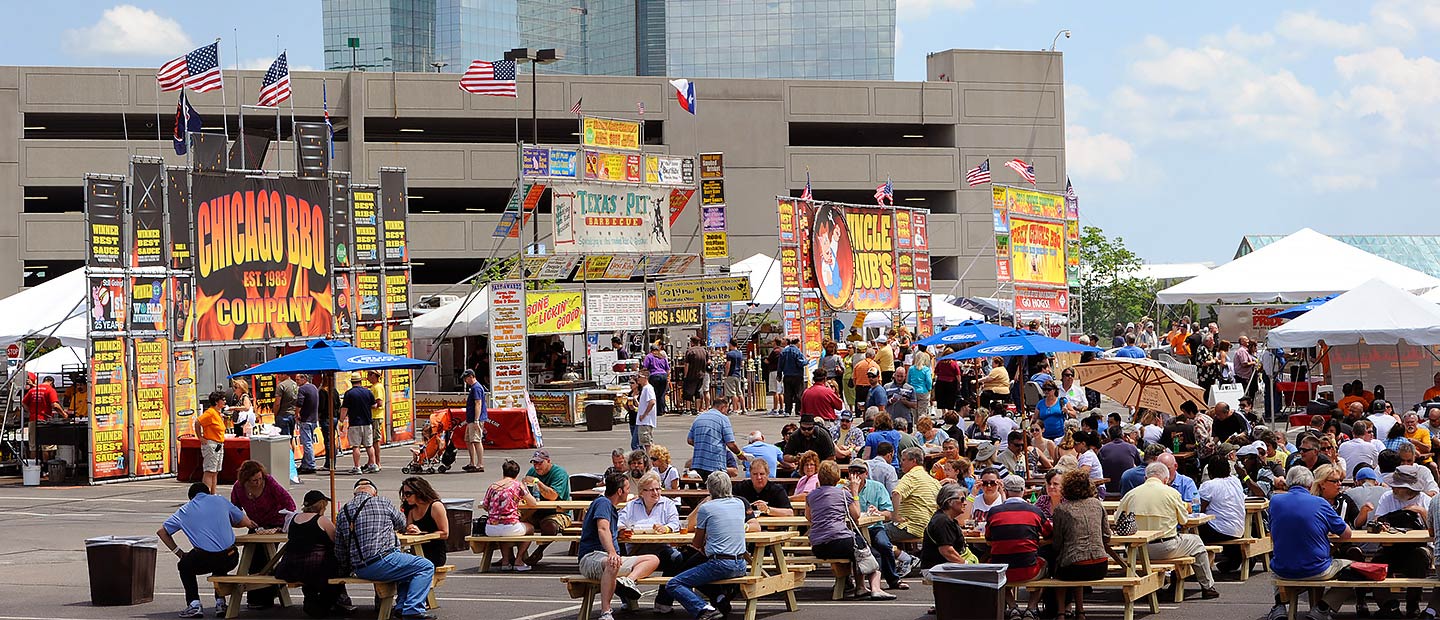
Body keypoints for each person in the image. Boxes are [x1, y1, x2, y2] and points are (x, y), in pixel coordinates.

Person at [334, 478, 436, 619]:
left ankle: (401, 608)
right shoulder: (382, 502)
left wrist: (345, 570)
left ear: (355, 494)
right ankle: (413, 609)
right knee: (425, 566)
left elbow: (340, 549)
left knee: (407, 568)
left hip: (359, 568)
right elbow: (401, 523)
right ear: (374, 493)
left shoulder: (343, 511)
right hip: (381, 560)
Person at [1263, 467, 1354, 620]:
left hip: (1282, 568)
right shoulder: (1320, 503)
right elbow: (1347, 534)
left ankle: (1279, 606)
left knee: (1281, 558)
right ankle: (1322, 608)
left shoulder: (1275, 501)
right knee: (1354, 570)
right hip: (1316, 568)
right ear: (1311, 483)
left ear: (1288, 482)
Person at [1117, 462, 1218, 599]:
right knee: (1197, 542)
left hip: (1137, 550)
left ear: (1145, 478)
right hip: (1166, 547)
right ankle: (1207, 586)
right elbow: (1183, 521)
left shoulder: (1131, 494)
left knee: (1192, 542)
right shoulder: (1171, 493)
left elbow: (1118, 519)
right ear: (1165, 479)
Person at [158, 482, 259, 618]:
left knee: (184, 565)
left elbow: (162, 532)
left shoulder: (185, 510)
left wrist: (180, 553)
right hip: (230, 556)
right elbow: (245, 521)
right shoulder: (220, 500)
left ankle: (194, 604)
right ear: (208, 493)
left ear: (191, 498)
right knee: (220, 562)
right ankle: (220, 602)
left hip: (204, 558)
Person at [665, 471, 749, 620]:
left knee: (674, 583)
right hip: (741, 563)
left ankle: (703, 608)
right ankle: (719, 598)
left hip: (720, 563)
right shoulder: (739, 504)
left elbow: (696, 543)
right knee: (695, 568)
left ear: (709, 489)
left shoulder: (707, 508)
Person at [809, 460, 896, 600]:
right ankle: (876, 588)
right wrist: (854, 492)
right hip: (838, 541)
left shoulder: (811, 495)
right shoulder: (843, 493)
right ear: (837, 477)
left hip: (818, 545)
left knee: (858, 550)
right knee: (872, 552)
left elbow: (809, 517)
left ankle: (860, 587)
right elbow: (855, 515)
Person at [1050, 468, 1124, 619]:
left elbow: (1057, 543)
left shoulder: (1061, 509)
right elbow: (1106, 535)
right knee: (1074, 563)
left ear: (1066, 487)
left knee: (1057, 566)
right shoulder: (1097, 505)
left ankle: (1061, 612)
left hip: (1073, 567)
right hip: (1100, 566)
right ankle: (1080, 610)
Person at [274, 490, 354, 618]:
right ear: (322, 505)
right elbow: (338, 541)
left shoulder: (293, 519)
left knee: (317, 576)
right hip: (314, 567)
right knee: (338, 571)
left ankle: (312, 600)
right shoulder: (322, 521)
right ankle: (325, 605)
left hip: (290, 566)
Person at [230, 460, 295, 609]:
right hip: (255, 525)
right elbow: (234, 509)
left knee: (265, 558)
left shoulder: (270, 482)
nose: (258, 482)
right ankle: (256, 598)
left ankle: (266, 597)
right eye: (254, 480)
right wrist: (243, 520)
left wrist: (285, 522)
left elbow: (289, 502)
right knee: (252, 560)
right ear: (245, 480)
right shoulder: (238, 488)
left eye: (260, 479)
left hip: (274, 524)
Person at [619, 471, 684, 613]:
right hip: (636, 550)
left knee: (676, 558)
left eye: (658, 489)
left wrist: (665, 528)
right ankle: (628, 598)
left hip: (660, 549)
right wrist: (625, 529)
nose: (656, 492)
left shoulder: (668, 504)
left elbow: (675, 523)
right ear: (642, 492)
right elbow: (620, 523)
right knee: (616, 556)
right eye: (652, 490)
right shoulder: (631, 506)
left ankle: (663, 601)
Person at [987, 474, 1052, 615]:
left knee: (992, 565)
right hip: (1029, 571)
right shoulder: (1035, 511)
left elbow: (988, 538)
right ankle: (1032, 607)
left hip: (1002, 572)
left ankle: (1012, 606)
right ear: (1023, 491)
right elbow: (1049, 534)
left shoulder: (993, 512)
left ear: (1005, 491)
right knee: (1048, 565)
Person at [849, 460, 912, 589]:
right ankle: (848, 582)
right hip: (851, 528)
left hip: (874, 526)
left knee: (884, 544)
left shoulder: (877, 487)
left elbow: (889, 514)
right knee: (852, 547)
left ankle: (893, 579)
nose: (856, 476)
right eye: (852, 472)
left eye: (860, 472)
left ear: (866, 473)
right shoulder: (843, 489)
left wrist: (878, 512)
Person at [483, 459, 537, 571]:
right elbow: (533, 503)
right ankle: (519, 560)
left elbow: (485, 505)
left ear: (503, 472)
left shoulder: (493, 486)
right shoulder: (518, 485)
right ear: (517, 474)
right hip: (510, 525)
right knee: (530, 528)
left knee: (504, 534)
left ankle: (505, 561)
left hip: (490, 528)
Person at [523, 449, 573, 565]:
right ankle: (511, 556)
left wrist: (537, 483)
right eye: (534, 463)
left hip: (558, 512)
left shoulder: (560, 473)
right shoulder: (532, 471)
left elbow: (552, 496)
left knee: (549, 526)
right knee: (511, 520)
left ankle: (538, 552)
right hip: (536, 511)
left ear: (548, 461)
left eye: (540, 463)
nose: (536, 466)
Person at [1198, 457, 1247, 573]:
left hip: (1219, 530)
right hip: (1238, 529)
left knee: (1192, 533)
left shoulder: (1209, 485)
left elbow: (1199, 509)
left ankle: (1200, 568)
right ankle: (1233, 558)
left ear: (1210, 471)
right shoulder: (1235, 481)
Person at [890, 447, 941, 548]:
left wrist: (895, 516)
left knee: (875, 533)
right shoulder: (933, 481)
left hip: (911, 527)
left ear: (913, 461)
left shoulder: (911, 476)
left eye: (904, 460)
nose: (901, 463)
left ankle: (901, 557)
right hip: (928, 527)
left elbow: (896, 494)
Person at [687, 398, 749, 479]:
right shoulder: (723, 419)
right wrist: (739, 454)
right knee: (717, 488)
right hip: (715, 463)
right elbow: (730, 444)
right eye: (727, 409)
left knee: (704, 487)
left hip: (698, 463)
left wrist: (703, 446)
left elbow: (690, 440)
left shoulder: (698, 418)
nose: (726, 412)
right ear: (723, 407)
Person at [919, 483, 973, 570]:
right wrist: (966, 565)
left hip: (946, 565)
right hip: (935, 568)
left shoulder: (948, 519)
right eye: (962, 499)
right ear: (949, 501)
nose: (965, 503)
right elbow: (946, 551)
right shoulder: (942, 521)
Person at [399, 477, 449, 567]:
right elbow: (408, 529)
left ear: (419, 492)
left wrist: (422, 534)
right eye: (404, 494)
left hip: (434, 553)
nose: (405, 497)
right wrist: (408, 530)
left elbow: (445, 533)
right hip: (416, 552)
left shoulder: (435, 506)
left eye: (408, 494)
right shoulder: (411, 509)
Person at [340, 373, 379, 475]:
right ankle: (373, 464)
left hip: (355, 423)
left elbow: (344, 409)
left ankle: (357, 467)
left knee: (356, 446)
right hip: (367, 422)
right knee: (369, 445)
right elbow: (374, 405)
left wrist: (341, 420)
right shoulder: (368, 392)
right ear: (360, 381)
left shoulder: (349, 394)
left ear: (351, 382)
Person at [195, 391, 228, 494]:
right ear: (217, 402)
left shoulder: (217, 413)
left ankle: (213, 494)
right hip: (211, 444)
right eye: (223, 400)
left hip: (218, 444)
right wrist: (200, 437)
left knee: (215, 471)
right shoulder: (210, 413)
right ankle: (206, 494)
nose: (225, 401)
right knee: (209, 471)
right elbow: (197, 422)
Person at [461, 369, 487, 473]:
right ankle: (472, 462)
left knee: (476, 440)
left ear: (471, 376)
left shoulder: (476, 388)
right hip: (471, 418)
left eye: (466, 378)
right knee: (468, 439)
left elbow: (478, 403)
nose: (465, 381)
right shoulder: (473, 388)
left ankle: (480, 464)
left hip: (476, 419)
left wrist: (476, 420)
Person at [295, 374, 321, 475]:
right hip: (314, 419)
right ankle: (305, 464)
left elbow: (299, 403)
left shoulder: (303, 389)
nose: (296, 381)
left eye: (298, 379)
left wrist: (297, 413)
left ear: (304, 379)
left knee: (307, 443)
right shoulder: (314, 387)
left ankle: (310, 465)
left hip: (306, 419)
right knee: (308, 442)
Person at [779, 338, 807, 417]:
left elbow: (780, 364)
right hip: (797, 376)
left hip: (787, 375)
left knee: (788, 394)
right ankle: (798, 411)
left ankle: (787, 410)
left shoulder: (784, 351)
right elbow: (800, 363)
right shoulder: (797, 351)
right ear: (797, 343)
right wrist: (807, 361)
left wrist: (779, 374)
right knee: (798, 394)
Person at [642, 344, 671, 417]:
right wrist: (667, 377)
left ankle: (655, 411)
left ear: (651, 350)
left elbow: (645, 367)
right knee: (662, 394)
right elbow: (668, 369)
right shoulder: (662, 357)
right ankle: (661, 411)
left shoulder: (649, 356)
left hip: (654, 376)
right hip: (663, 376)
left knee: (654, 394)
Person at [682, 336, 709, 412]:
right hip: (701, 375)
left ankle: (688, 409)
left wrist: (685, 375)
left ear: (692, 342)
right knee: (698, 392)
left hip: (691, 374)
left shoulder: (690, 351)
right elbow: (708, 362)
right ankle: (697, 409)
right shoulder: (704, 351)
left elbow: (686, 364)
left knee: (688, 392)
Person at [634, 373, 658, 452]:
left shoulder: (648, 388)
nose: (638, 379)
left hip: (646, 421)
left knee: (647, 443)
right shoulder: (644, 389)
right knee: (645, 442)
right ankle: (650, 459)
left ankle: (649, 461)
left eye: (639, 377)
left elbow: (652, 402)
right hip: (643, 421)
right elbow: (643, 405)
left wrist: (644, 415)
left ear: (646, 377)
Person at [275, 372, 299, 437]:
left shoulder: (281, 385)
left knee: (283, 440)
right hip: (292, 415)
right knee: (290, 437)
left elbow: (277, 403)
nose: (278, 376)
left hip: (283, 415)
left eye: (279, 374)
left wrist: (275, 414)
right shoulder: (295, 385)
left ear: (284, 374)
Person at [724, 341, 746, 412]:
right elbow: (742, 364)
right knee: (739, 392)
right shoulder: (740, 353)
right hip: (738, 374)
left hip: (731, 375)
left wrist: (726, 375)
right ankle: (743, 408)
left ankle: (735, 408)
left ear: (730, 344)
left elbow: (728, 365)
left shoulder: (729, 354)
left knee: (732, 393)